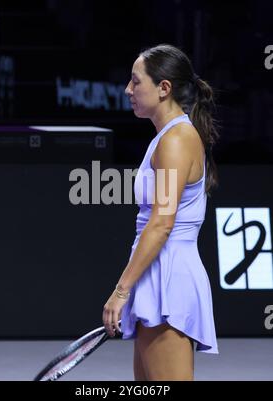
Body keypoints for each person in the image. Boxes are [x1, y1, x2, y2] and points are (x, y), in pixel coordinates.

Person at [102, 44, 219, 381]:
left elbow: (162, 223)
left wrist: (121, 291)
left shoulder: (176, 140)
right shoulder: (167, 138)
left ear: (163, 88)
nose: (128, 90)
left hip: (169, 278)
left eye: (135, 82)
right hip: (156, 273)